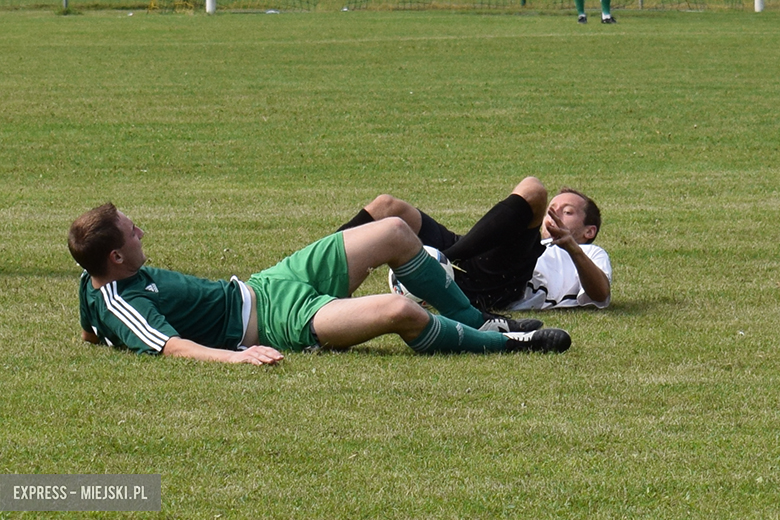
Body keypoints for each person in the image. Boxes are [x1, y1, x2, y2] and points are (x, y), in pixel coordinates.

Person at [68, 203, 572, 365]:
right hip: (274, 322)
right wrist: (238, 356)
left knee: (395, 230)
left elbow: (92, 333)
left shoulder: (94, 284)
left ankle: (474, 317)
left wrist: (97, 339)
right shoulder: (120, 297)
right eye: (132, 233)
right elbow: (172, 347)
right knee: (402, 314)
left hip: (269, 282)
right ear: (115, 257)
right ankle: (506, 341)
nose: (141, 232)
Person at [337, 176, 611, 312]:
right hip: (475, 254)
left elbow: (601, 296)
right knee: (388, 206)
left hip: (505, 280)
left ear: (589, 231)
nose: (554, 213)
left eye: (568, 211)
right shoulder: (524, 237)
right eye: (553, 208)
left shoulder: (589, 252)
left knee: (534, 189)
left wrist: (573, 249)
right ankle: (315, 271)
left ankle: (443, 261)